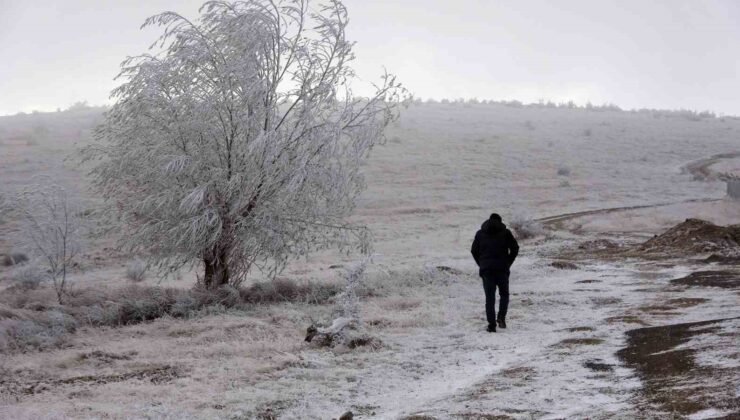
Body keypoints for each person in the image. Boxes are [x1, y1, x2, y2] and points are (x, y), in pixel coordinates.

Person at [471, 213, 519, 332]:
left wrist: (482, 264)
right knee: (504, 294)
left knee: (490, 298)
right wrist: (508, 262)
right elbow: (515, 248)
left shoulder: (480, 233)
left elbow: (473, 251)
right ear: (500, 221)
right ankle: (501, 318)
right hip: (502, 268)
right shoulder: (505, 233)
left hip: (487, 270)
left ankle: (491, 325)